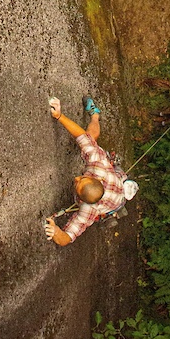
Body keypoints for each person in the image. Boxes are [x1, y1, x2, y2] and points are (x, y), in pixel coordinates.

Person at [45, 95, 126, 246]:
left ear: (82, 202)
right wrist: (59, 116)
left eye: (78, 184)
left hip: (113, 202)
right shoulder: (98, 164)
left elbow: (66, 238)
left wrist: (56, 231)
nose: (76, 178)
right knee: (90, 138)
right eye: (82, 178)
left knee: (91, 141)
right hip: (117, 183)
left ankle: (109, 215)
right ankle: (95, 115)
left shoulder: (88, 210)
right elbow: (82, 136)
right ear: (98, 179)